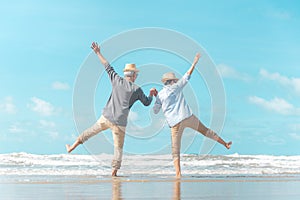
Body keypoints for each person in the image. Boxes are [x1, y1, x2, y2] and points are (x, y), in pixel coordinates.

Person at [66, 42, 157, 176]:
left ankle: (72, 147)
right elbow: (147, 103)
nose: (136, 76)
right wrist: (151, 94)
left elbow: (107, 66)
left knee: (89, 132)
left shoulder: (116, 80)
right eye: (136, 74)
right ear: (133, 75)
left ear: (126, 74)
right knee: (118, 149)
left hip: (107, 117)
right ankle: (113, 173)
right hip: (120, 123)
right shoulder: (137, 89)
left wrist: (97, 52)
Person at [153, 53, 232, 178]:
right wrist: (194, 62)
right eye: (174, 80)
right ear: (172, 81)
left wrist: (155, 96)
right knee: (205, 131)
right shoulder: (176, 87)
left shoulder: (161, 95)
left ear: (164, 82)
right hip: (187, 117)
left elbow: (155, 110)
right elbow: (187, 75)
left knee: (175, 150)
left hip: (174, 124)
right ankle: (225, 144)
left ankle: (178, 174)